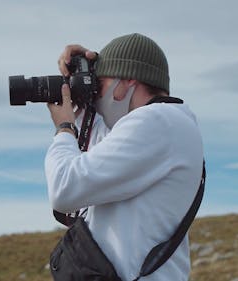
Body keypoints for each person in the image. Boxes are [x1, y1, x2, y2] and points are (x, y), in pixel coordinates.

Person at [45, 33, 204, 280]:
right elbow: (89, 170)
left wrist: (64, 127)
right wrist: (82, 77)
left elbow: (65, 189)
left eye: (100, 84)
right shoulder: (166, 127)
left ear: (127, 82)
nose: (96, 94)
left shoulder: (158, 121)